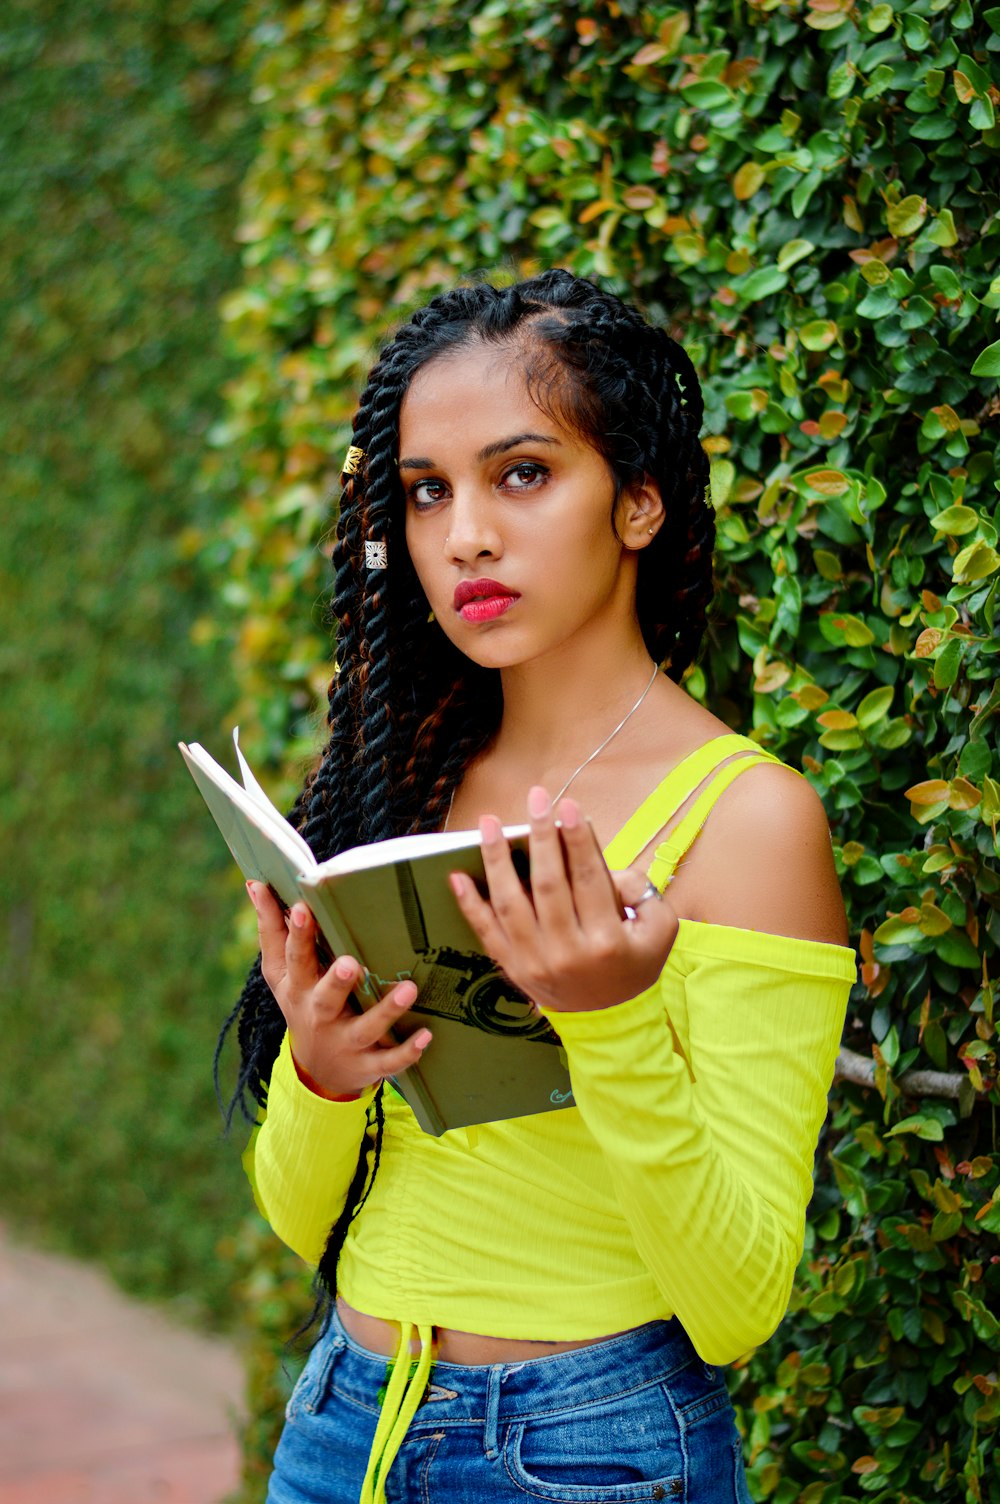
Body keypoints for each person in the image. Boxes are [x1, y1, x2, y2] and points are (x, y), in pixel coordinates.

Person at [225, 269, 855, 1504]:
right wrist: (317, 1070)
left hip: (583, 1451)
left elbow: (735, 1306)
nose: (463, 535)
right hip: (337, 1426)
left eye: (522, 473)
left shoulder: (748, 821)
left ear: (636, 504)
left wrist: (612, 1018)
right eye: (426, 492)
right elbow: (306, 1223)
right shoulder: (395, 788)